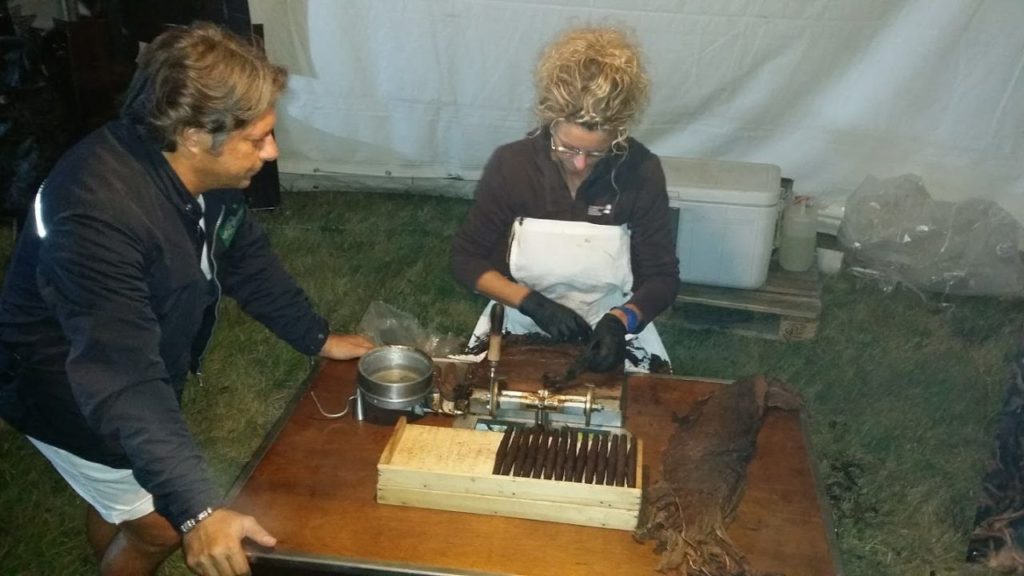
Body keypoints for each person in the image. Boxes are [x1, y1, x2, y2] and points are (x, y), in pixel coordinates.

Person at [0, 22, 373, 576]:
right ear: (198, 134)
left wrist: (315, 335)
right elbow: (123, 377)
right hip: (62, 386)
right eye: (258, 138)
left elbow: (242, 254)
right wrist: (197, 511)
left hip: (108, 371)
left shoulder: (198, 169)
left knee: (120, 498)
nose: (271, 152)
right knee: (158, 530)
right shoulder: (96, 213)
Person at [451, 26, 679, 373]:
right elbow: (466, 260)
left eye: (598, 152)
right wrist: (530, 303)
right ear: (550, 120)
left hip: (610, 322)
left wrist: (621, 321)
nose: (580, 163)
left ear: (619, 134)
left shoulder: (641, 171)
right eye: (568, 148)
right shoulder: (512, 165)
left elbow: (662, 277)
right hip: (522, 314)